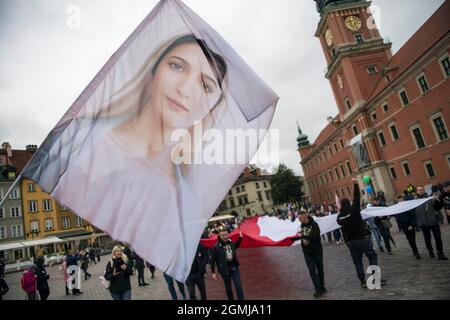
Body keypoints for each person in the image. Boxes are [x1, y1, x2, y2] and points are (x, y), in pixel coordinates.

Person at [48, 33, 232, 282]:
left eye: (205, 86)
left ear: (210, 108)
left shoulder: (186, 198)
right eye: (177, 66)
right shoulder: (76, 138)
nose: (185, 89)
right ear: (152, 72)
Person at [337, 178, 380, 288]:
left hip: (350, 242)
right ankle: (374, 279)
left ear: (341, 206)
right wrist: (355, 184)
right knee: (372, 256)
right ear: (349, 204)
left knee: (357, 261)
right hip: (361, 239)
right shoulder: (354, 210)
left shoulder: (339, 217)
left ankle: (362, 282)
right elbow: (357, 197)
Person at [291, 211, 326, 297]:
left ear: (305, 216)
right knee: (312, 271)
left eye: (300, 217)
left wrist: (303, 236)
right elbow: (302, 236)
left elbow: (315, 236)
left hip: (317, 252)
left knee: (320, 270)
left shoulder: (314, 224)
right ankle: (318, 289)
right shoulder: (302, 226)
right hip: (307, 253)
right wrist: (292, 239)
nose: (299, 219)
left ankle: (322, 287)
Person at [415, 186, 448, 260]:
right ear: (417, 192)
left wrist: (440, 218)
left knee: (438, 238)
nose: (421, 191)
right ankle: (430, 251)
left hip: (433, 221)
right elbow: (414, 213)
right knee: (427, 239)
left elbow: (438, 208)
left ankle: (440, 253)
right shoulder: (415, 202)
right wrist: (416, 223)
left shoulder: (430, 198)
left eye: (422, 189)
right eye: (419, 190)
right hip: (423, 223)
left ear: (424, 190)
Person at [211, 229, 244, 300]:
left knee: (238, 285)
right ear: (220, 235)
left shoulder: (230, 242)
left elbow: (236, 246)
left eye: (226, 235)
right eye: (223, 235)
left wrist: (240, 238)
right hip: (224, 270)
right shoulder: (216, 247)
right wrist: (213, 272)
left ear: (228, 234)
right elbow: (213, 260)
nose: (225, 237)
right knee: (228, 288)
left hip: (234, 268)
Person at [396, 194, 421, 259]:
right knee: (410, 239)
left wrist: (412, 225)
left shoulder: (408, 206)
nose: (401, 201)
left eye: (402, 200)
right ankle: (416, 252)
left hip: (410, 224)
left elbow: (413, 216)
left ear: (403, 200)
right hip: (404, 226)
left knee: (413, 238)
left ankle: (415, 250)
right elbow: (397, 217)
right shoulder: (397, 208)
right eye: (399, 200)